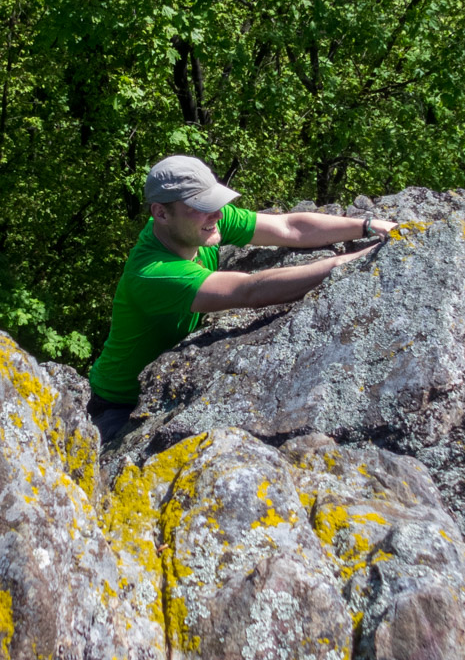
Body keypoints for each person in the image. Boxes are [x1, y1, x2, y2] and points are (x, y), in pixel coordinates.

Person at [86, 154, 396, 443]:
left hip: (158, 389)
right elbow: (250, 291)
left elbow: (289, 228)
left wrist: (366, 226)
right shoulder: (152, 272)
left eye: (215, 203)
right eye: (201, 206)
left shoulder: (197, 226)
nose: (217, 214)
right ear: (160, 213)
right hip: (117, 405)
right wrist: (345, 265)